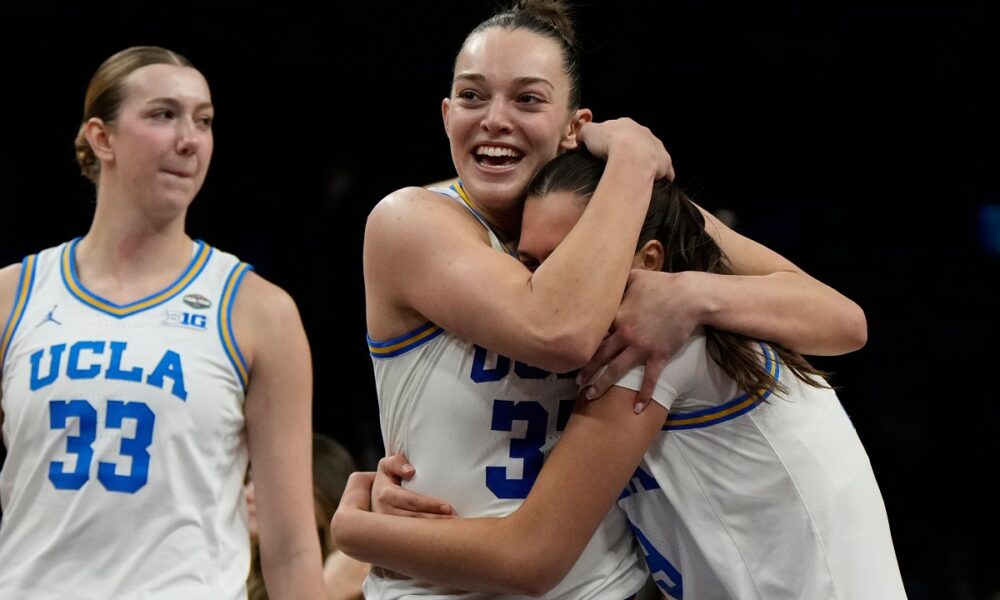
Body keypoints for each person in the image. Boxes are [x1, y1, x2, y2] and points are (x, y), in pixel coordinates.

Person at [358, 0, 866, 597]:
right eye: (472, 96)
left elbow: (840, 320)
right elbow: (557, 331)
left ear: (575, 126)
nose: (494, 118)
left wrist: (690, 292)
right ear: (446, 115)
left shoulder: (616, 204)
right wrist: (632, 155)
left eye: (527, 99)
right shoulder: (410, 220)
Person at [334, 149, 907, 599]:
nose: (550, 282)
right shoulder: (687, 305)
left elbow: (530, 558)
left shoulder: (654, 342)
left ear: (645, 259)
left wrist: (355, 532)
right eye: (530, 263)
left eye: (575, 257)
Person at [0, 46, 324, 599]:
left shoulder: (258, 311)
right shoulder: (13, 295)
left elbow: (292, 549)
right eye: (163, 114)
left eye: (204, 120)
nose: (189, 139)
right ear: (102, 138)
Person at [247, 432, 370, 600]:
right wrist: (327, 592)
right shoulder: (238, 569)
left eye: (268, 484)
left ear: (321, 494)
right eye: (250, 479)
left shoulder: (362, 574)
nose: (248, 493)